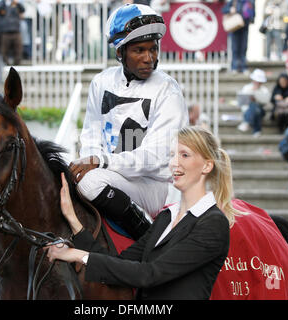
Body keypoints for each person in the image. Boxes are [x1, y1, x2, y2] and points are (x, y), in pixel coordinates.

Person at [47, 126, 234, 300]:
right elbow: (116, 263)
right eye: (172, 155)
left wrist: (75, 255)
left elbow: (150, 274)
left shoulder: (213, 224)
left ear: (207, 166)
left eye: (184, 155)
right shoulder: (166, 217)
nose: (174, 163)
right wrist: (73, 220)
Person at [70, 4, 187, 240]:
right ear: (120, 52)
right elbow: (91, 135)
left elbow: (155, 157)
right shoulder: (100, 82)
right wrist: (92, 159)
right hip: (113, 176)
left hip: (154, 185)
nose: (149, 58)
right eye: (139, 50)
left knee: (90, 182)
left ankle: (150, 241)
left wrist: (101, 161)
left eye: (153, 49)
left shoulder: (168, 89)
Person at [222, 0, 256, 74]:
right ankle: (234, 67)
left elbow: (253, 12)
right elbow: (224, 9)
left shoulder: (250, 1)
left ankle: (243, 67)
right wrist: (230, 10)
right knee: (235, 48)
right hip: (235, 26)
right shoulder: (234, 1)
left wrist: (251, 19)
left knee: (243, 48)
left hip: (245, 26)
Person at [236, 68, 270, 137]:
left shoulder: (264, 90)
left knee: (256, 107)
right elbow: (242, 101)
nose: (257, 83)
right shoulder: (246, 88)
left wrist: (256, 95)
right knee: (253, 107)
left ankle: (247, 122)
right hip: (248, 111)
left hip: (260, 111)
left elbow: (265, 102)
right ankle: (257, 130)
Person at [0, 0, 25, 66]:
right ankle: (7, 65)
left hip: (16, 31)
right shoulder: (1, 4)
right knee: (4, 51)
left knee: (18, 50)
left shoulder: (16, 4)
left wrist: (17, 3)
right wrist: (4, 2)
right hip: (5, 32)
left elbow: (23, 10)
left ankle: (16, 65)